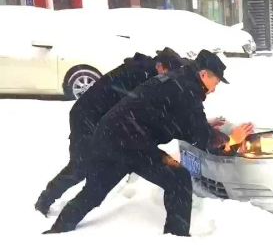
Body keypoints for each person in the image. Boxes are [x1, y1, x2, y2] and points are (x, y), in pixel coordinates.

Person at [44, 50, 254, 236]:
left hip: (110, 135)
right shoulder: (188, 90)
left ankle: (60, 228)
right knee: (178, 178)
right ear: (204, 74)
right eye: (215, 82)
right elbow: (200, 137)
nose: (215, 88)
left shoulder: (179, 80)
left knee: (95, 191)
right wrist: (231, 140)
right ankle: (176, 239)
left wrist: (204, 125)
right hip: (132, 143)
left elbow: (181, 121)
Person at [34, 48, 185, 217]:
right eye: (169, 73)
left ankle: (75, 203)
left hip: (100, 116)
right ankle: (45, 201)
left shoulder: (146, 70)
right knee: (80, 166)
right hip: (86, 116)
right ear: (160, 66)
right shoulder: (140, 74)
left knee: (95, 164)